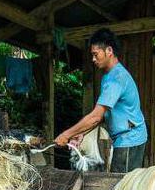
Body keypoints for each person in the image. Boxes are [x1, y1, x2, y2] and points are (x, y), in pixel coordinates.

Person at [54, 28, 147, 173]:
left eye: (95, 54)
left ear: (109, 50)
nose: (93, 59)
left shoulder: (116, 79)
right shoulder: (108, 77)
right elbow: (103, 115)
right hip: (124, 138)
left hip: (130, 139)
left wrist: (66, 134)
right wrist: (82, 133)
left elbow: (96, 117)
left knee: (121, 187)